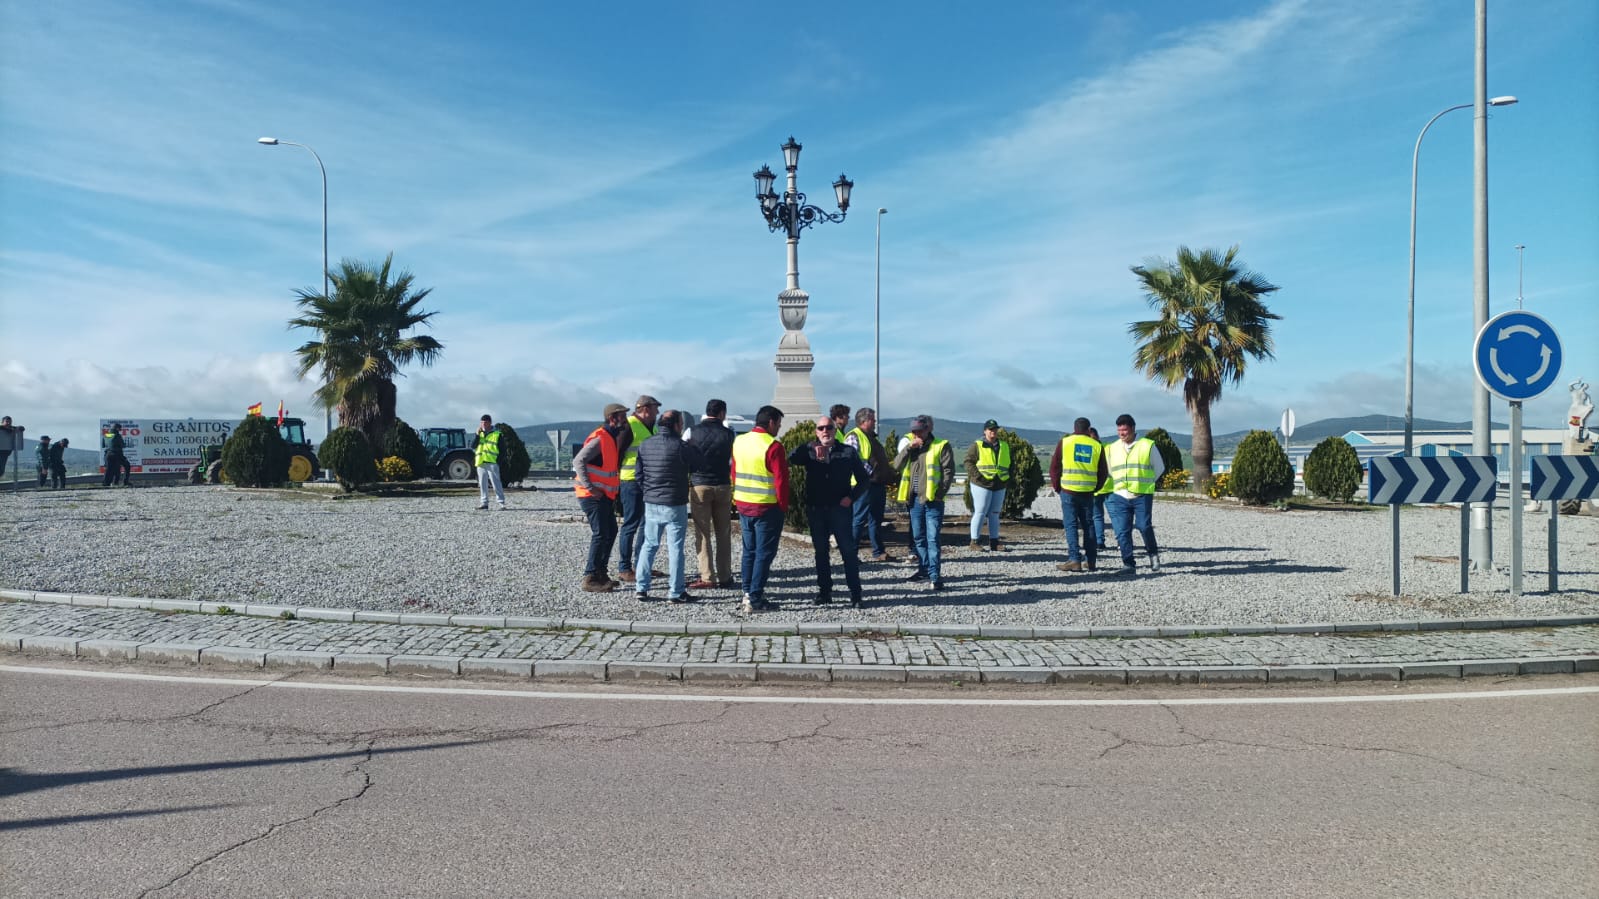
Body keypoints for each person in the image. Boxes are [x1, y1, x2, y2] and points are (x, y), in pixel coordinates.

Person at [788, 415, 872, 607]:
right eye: (821, 428)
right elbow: (792, 458)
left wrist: (850, 498)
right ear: (816, 432)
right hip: (817, 510)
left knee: (848, 552)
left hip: (839, 510)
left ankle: (856, 594)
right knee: (821, 552)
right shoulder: (809, 450)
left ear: (835, 431)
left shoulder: (848, 452)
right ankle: (824, 592)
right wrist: (808, 447)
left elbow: (864, 480)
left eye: (829, 428)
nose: (825, 431)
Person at [634, 410, 701, 603]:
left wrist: (648, 491)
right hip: (674, 502)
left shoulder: (645, 445)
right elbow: (698, 464)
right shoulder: (681, 446)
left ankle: (641, 587)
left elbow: (639, 474)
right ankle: (676, 591)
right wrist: (693, 447)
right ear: (677, 425)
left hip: (652, 501)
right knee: (675, 548)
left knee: (649, 544)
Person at [731, 405, 788, 613]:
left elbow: (735, 472)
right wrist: (783, 506)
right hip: (766, 505)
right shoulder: (773, 446)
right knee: (764, 553)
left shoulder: (740, 441)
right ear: (771, 422)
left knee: (749, 551)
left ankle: (747, 592)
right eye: (779, 424)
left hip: (744, 503)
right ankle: (755, 598)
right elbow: (781, 481)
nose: (779, 428)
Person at [573, 403, 632, 592]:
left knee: (610, 531)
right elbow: (578, 460)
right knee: (600, 534)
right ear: (612, 418)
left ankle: (601, 574)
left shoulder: (610, 438)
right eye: (622, 416)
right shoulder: (601, 438)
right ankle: (590, 577)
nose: (625, 420)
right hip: (592, 495)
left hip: (603, 495)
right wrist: (591, 487)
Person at [894, 414, 955, 590]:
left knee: (932, 538)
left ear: (928, 429)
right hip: (914, 500)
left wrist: (939, 493)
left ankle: (935, 577)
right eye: (914, 431)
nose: (917, 434)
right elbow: (896, 465)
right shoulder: (910, 446)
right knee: (918, 538)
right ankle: (924, 570)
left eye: (920, 431)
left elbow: (948, 471)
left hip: (932, 500)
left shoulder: (940, 445)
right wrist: (908, 449)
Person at [685, 398, 736, 591]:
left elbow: (684, 454)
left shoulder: (692, 431)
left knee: (703, 532)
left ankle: (707, 576)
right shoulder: (729, 434)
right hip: (722, 485)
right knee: (723, 532)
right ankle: (725, 575)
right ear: (722, 413)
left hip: (699, 485)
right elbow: (733, 460)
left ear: (706, 412)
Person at [1104, 413, 1164, 575]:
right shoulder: (1112, 448)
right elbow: (1109, 470)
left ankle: (1153, 554)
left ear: (1133, 429)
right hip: (1120, 494)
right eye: (1119, 430)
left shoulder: (1147, 445)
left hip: (1142, 493)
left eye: (1125, 430)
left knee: (1144, 526)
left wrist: (1147, 482)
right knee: (1123, 530)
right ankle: (1128, 563)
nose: (1122, 433)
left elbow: (1159, 468)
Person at [1050, 417, 1110, 573]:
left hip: (1068, 489)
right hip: (1088, 491)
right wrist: (1095, 488)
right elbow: (1103, 472)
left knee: (1071, 525)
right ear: (1089, 430)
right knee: (1089, 525)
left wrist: (1057, 487)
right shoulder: (1097, 445)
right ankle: (1091, 561)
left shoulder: (1065, 442)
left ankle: (1075, 559)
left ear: (1074, 428)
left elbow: (1055, 466)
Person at [616, 395, 661, 584]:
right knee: (631, 524)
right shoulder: (629, 425)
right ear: (645, 409)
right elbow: (617, 453)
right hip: (631, 481)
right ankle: (624, 568)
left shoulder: (654, 427)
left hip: (648, 482)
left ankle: (641, 564)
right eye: (655, 408)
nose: (657, 412)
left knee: (647, 524)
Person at [844, 407, 896, 562]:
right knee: (859, 519)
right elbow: (854, 459)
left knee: (876, 519)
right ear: (863, 421)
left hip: (877, 484)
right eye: (873, 419)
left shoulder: (872, 437)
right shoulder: (854, 436)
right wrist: (870, 473)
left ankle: (878, 551)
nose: (875, 422)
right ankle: (851, 554)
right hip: (864, 485)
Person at [963, 419, 1012, 552]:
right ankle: (974, 542)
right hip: (981, 484)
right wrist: (978, 476)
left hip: (999, 483)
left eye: (995, 429)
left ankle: (994, 542)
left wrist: (1007, 478)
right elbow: (968, 462)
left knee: (995, 513)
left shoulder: (1004, 445)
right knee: (980, 511)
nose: (993, 432)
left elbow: (1009, 463)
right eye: (990, 429)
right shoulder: (977, 445)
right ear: (985, 431)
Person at [471, 414, 507, 510]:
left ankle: (501, 503)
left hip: (492, 462)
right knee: (482, 484)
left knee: (496, 483)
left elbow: (503, 450)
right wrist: (477, 436)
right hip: (481, 462)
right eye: (481, 422)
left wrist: (498, 461)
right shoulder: (479, 433)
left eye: (485, 422)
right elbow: (473, 446)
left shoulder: (497, 434)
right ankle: (484, 503)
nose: (483, 424)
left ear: (490, 423)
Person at [1090, 426, 1112, 552]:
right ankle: (1101, 541)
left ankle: (1099, 541)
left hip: (1098, 487)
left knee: (1097, 516)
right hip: (1108, 486)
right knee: (1114, 517)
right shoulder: (1108, 448)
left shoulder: (1090, 450)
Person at [102, 423, 130, 487]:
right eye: (119, 428)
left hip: (108, 454)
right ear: (116, 428)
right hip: (117, 454)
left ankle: (106, 484)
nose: (120, 430)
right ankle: (125, 482)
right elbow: (123, 445)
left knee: (108, 469)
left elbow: (103, 445)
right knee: (127, 466)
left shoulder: (106, 435)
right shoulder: (117, 435)